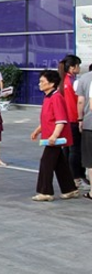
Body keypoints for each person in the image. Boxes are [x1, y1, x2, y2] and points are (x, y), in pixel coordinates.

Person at [30, 70, 79, 201]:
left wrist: (54, 136)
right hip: (50, 137)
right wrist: (38, 130)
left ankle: (45, 192)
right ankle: (70, 189)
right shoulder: (48, 97)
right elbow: (48, 119)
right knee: (60, 164)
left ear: (51, 84)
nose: (39, 84)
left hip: (54, 139)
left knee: (46, 163)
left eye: (42, 81)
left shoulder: (56, 98)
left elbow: (61, 120)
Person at [58, 55, 86, 187]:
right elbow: (79, 102)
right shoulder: (73, 82)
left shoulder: (62, 81)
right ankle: (76, 177)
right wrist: (80, 118)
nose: (79, 68)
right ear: (72, 67)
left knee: (67, 149)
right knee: (75, 150)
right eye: (78, 65)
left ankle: (69, 176)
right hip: (73, 118)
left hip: (64, 119)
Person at [76, 66, 92, 198]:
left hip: (89, 123)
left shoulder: (84, 78)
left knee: (90, 160)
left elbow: (81, 101)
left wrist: (80, 119)